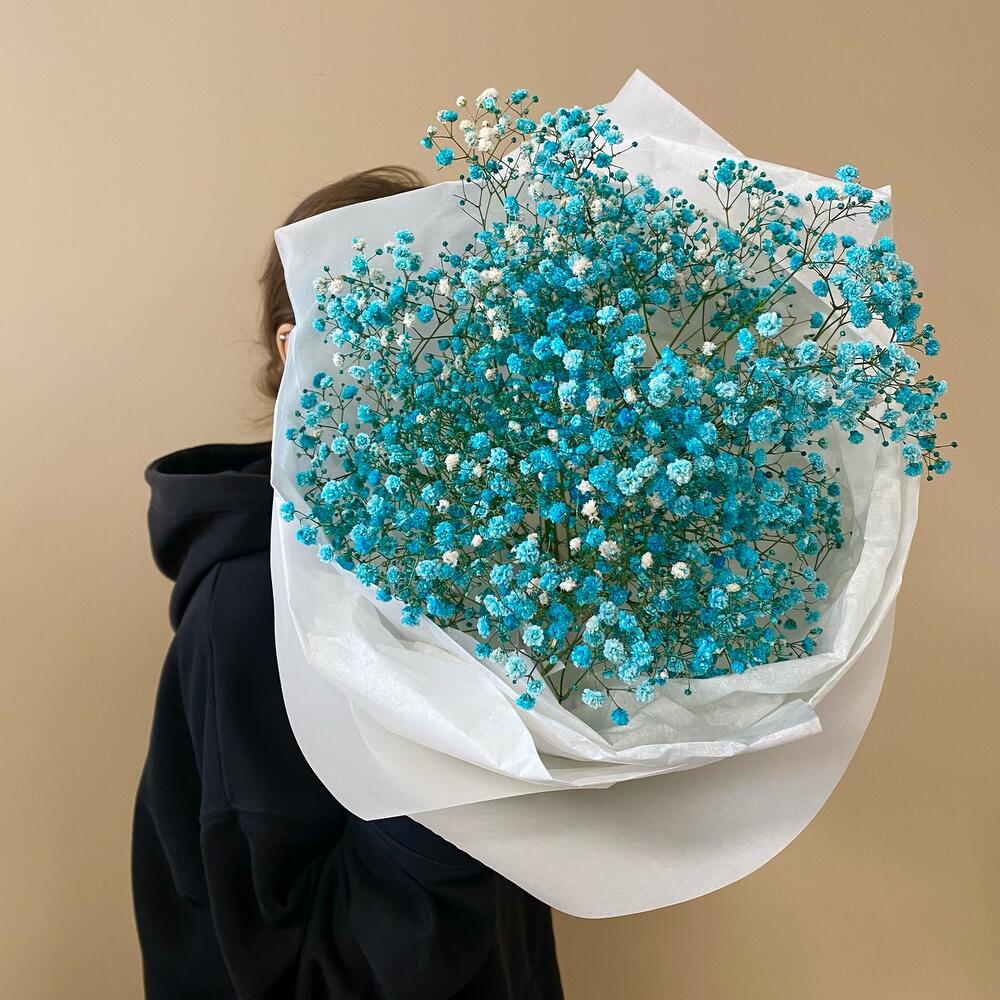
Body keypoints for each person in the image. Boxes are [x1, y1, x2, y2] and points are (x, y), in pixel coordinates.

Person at [132, 167, 564, 1000]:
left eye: (463, 325)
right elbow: (305, 974)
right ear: (296, 349)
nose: (440, 362)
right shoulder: (249, 609)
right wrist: (463, 787)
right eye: (394, 320)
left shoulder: (469, 573)